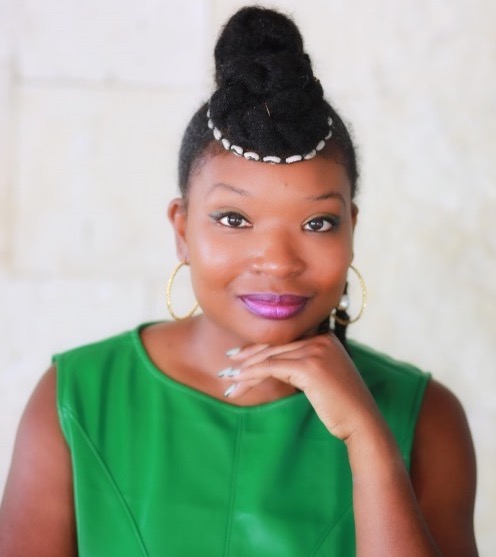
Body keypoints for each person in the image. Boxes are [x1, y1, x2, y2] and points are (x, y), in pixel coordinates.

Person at [0, 6, 478, 556]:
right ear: (181, 228)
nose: (276, 262)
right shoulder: (74, 401)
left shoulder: (428, 419)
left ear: (351, 231)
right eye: (233, 219)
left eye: (317, 222)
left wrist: (371, 445)